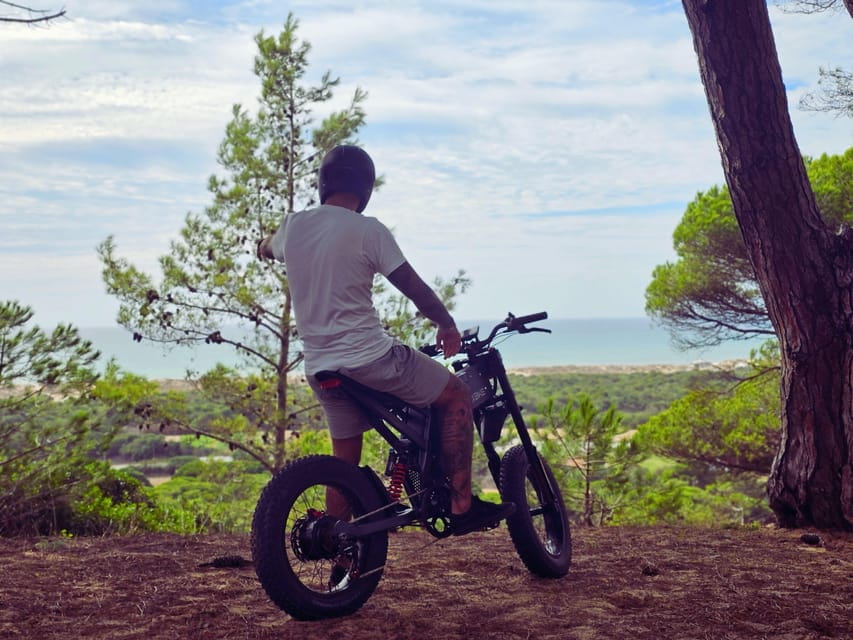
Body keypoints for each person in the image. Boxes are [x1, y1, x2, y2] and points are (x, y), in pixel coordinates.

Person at [257, 144, 514, 536]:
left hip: (322, 368)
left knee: (343, 465)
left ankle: (339, 547)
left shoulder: (293, 227)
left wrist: (262, 247)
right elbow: (413, 286)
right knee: (456, 394)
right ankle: (462, 505)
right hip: (372, 359)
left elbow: (268, 247)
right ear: (365, 188)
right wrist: (446, 325)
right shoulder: (368, 230)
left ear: (323, 183)